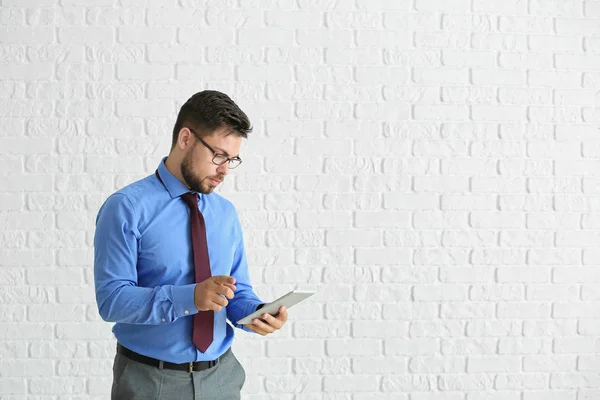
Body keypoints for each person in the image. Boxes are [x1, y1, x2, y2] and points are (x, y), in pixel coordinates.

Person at [93, 90, 287, 399]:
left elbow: (237, 292)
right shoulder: (126, 207)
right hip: (149, 382)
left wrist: (257, 313)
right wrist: (191, 297)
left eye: (232, 159)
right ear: (186, 138)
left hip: (221, 379)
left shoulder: (225, 214)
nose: (224, 169)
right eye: (218, 155)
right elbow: (111, 300)